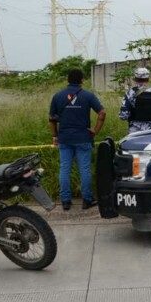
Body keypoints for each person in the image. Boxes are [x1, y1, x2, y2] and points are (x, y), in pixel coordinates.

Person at [49, 68, 106, 211]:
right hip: (83, 137)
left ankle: (66, 201)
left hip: (65, 138)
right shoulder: (88, 96)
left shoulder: (58, 96)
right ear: (82, 80)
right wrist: (95, 130)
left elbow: (52, 119)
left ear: (67, 79)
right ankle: (87, 200)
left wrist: (55, 136)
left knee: (64, 169)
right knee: (85, 169)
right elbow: (102, 113)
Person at [118, 67, 151, 132]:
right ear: (148, 79)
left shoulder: (130, 93)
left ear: (135, 79)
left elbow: (123, 116)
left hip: (135, 131)